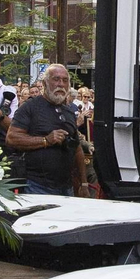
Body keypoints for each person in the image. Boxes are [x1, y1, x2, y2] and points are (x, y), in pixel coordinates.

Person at [6, 64, 87, 196]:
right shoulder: (30, 107)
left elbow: (77, 149)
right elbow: (11, 138)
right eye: (56, 79)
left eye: (65, 80)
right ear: (45, 83)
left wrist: (84, 183)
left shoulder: (69, 112)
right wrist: (45, 140)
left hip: (66, 188)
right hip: (36, 186)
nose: (61, 84)